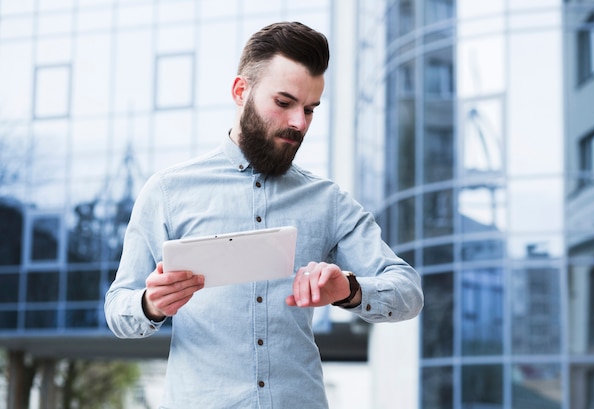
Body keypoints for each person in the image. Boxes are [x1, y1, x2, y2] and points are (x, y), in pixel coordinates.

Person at [105, 21, 423, 408]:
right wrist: (150, 304)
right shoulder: (168, 191)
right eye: (284, 103)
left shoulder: (329, 201)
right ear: (241, 91)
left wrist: (349, 290)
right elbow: (118, 308)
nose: (299, 123)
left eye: (309, 109)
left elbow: (408, 290)